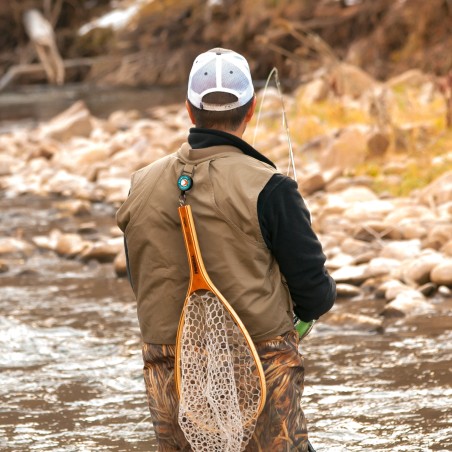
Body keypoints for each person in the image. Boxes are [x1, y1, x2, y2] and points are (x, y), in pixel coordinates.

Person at [116, 48, 336, 451]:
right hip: (261, 363)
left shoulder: (140, 184)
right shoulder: (272, 188)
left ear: (188, 110)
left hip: (171, 371)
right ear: (250, 110)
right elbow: (315, 294)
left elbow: (140, 280)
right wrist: (304, 313)